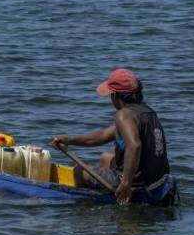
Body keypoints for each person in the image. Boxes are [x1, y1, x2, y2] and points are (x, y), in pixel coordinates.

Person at [52, 68, 174, 205]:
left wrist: (126, 183)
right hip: (156, 179)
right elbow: (102, 135)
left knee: (79, 170)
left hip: (139, 183)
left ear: (115, 95)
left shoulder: (123, 115)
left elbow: (135, 146)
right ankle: (108, 191)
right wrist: (69, 140)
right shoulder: (147, 112)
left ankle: (87, 205)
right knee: (106, 157)